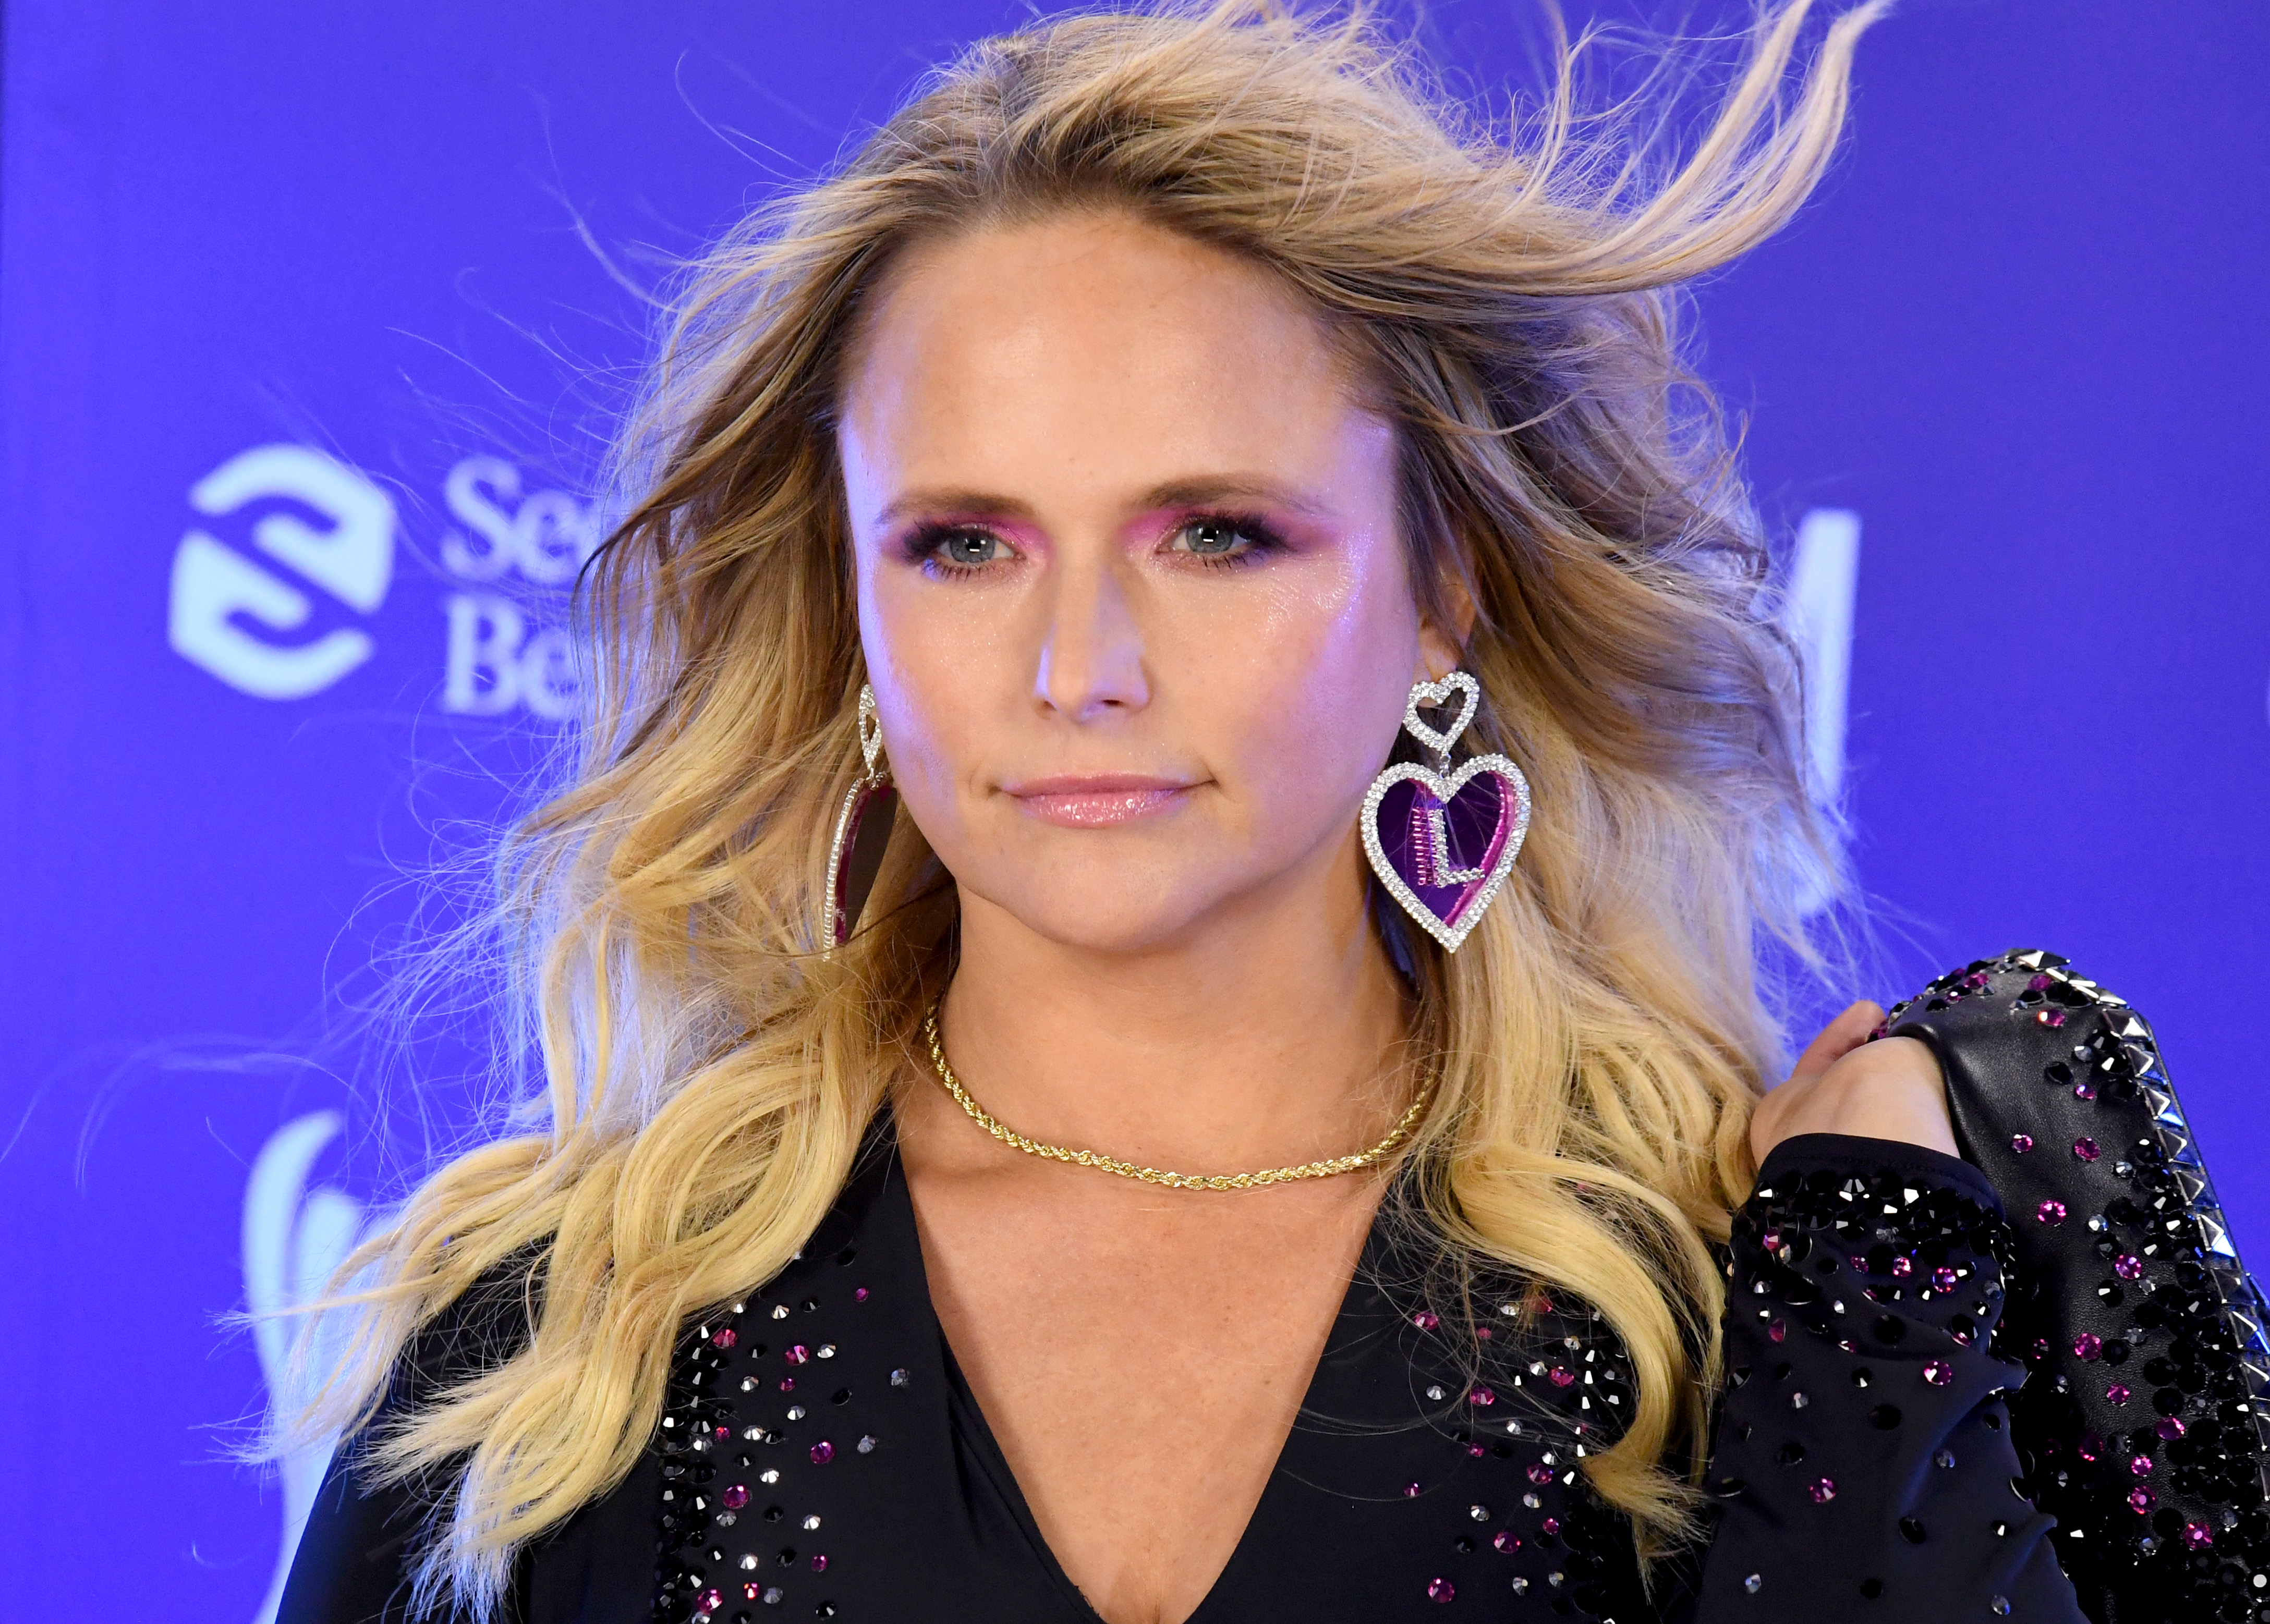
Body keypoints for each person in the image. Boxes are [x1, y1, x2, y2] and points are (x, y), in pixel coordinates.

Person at [263, 4, 2268, 1622]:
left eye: (1218, 532)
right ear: (853, 609)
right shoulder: (561, 1347)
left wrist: (1875, 1296)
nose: (1079, 664)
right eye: (961, 544)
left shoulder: (1751, 1278)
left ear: (1443, 592)